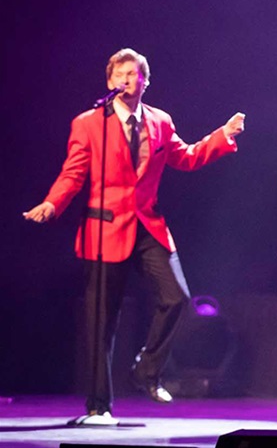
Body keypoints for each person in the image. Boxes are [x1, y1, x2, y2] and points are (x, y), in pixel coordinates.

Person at [23, 48, 245, 426]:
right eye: (121, 74)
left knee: (176, 297)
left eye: (135, 74)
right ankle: (98, 406)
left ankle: (147, 369)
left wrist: (222, 136)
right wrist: (52, 203)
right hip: (104, 227)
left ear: (146, 81)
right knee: (102, 320)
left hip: (147, 226)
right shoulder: (90, 123)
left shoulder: (160, 121)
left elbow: (186, 157)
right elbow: (73, 173)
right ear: (110, 82)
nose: (128, 79)